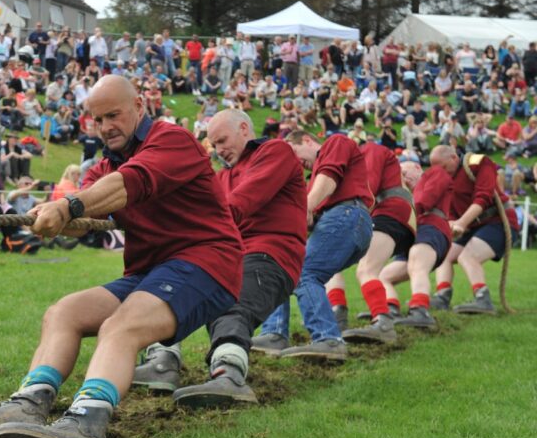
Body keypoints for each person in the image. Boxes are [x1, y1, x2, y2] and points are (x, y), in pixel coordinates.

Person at [0, 75, 243, 438]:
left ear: (139, 107)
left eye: (113, 115)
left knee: (122, 325)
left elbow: (127, 184)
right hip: (151, 272)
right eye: (97, 120)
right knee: (64, 312)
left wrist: (68, 207)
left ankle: (86, 421)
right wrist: (48, 214)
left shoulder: (172, 140)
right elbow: (90, 195)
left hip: (207, 262)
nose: (105, 127)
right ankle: (30, 402)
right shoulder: (105, 165)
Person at [133, 110, 306, 406]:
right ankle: (163, 361)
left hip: (268, 254)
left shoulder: (275, 151)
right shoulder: (221, 177)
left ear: (243, 128)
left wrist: (194, 224)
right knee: (169, 289)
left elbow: (244, 200)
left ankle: (229, 373)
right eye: (213, 144)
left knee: (232, 304)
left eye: (222, 140)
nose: (219, 150)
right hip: (228, 255)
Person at [252, 132, 373, 361]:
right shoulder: (313, 183)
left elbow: (329, 175)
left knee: (302, 273)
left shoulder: (335, 143)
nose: (296, 162)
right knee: (286, 270)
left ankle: (327, 338)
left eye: (293, 153)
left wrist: (305, 207)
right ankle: (274, 333)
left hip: (347, 214)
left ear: (307, 140)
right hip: (346, 220)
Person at [327, 142, 416, 344]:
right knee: (332, 260)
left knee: (367, 269)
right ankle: (337, 314)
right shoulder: (362, 155)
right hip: (389, 215)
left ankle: (383, 322)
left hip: (389, 213)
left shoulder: (368, 150)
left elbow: (367, 187)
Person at [430, 145, 519, 314]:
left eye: (443, 167)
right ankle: (442, 296)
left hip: (498, 221)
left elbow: (483, 198)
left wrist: (462, 223)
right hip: (473, 225)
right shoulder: (444, 178)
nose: (441, 173)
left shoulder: (478, 162)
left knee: (468, 256)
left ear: (454, 158)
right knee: (445, 254)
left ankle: (483, 299)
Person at [376, 162, 453, 328]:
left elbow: (425, 200)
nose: (403, 178)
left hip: (432, 227)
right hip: (415, 234)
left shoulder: (435, 172)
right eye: (400, 176)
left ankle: (420, 310)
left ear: (417, 167)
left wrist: (402, 207)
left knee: (418, 263)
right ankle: (390, 309)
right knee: (383, 276)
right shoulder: (407, 194)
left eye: (405, 172)